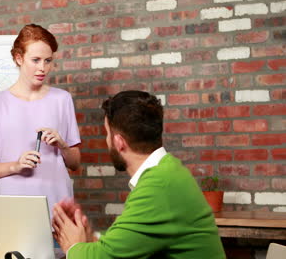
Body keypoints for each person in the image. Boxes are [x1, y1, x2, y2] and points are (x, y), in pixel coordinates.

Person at [52, 90, 226, 259]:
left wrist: (73, 246)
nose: (106, 140)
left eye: (107, 134)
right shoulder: (168, 171)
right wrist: (88, 237)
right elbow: (125, 246)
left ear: (119, 142)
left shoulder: (158, 187)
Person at [0, 24, 81, 218]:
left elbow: (75, 162)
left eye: (48, 60)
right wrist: (15, 165)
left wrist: (62, 145)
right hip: (12, 209)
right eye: (36, 60)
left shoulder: (62, 99)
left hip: (57, 207)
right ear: (18, 58)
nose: (43, 68)